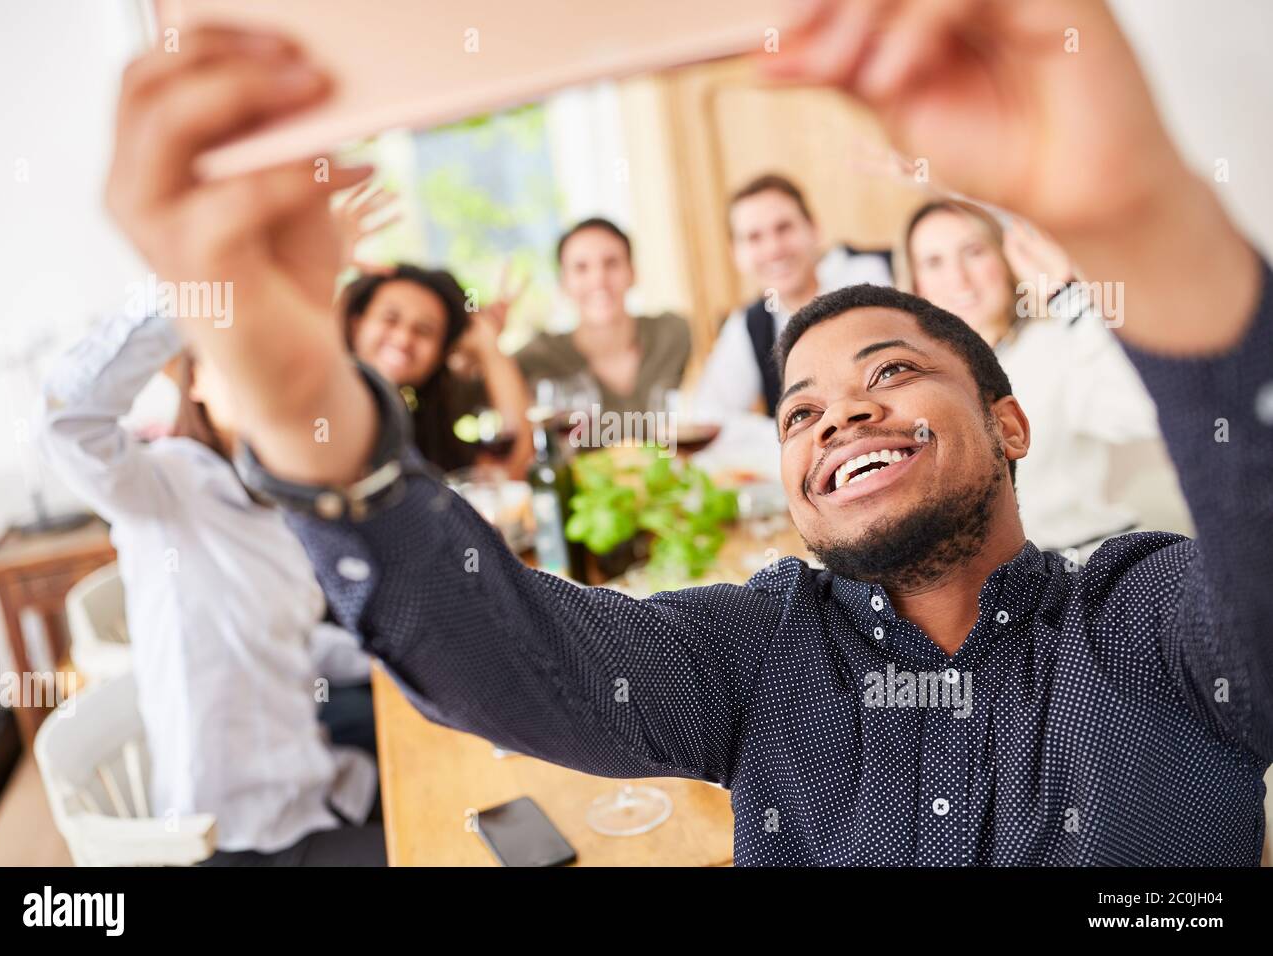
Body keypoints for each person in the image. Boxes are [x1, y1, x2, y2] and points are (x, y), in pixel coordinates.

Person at [103, 0, 1271, 867]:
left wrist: (1142, 217)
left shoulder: (1142, 623)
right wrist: (298, 389)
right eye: (800, 410)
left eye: (892, 373)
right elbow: (499, 652)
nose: (839, 415)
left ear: (1007, 421)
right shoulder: (756, 651)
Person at [38, 314, 385, 866]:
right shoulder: (162, 489)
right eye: (237, 361)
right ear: (192, 380)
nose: (264, 381)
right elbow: (66, 423)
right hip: (239, 838)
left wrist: (386, 659)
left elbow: (286, 641)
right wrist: (194, 291)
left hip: (314, 786)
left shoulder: (276, 503)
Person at [901, 197, 1183, 556]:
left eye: (973, 251)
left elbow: (1145, 412)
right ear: (915, 283)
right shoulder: (916, 385)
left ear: (1005, 260)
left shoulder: (1055, 342)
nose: (958, 278)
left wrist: (1069, 296)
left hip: (1086, 569)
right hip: (994, 597)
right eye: (934, 262)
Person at [694, 173, 894, 418]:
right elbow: (707, 417)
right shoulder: (749, 326)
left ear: (814, 229)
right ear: (736, 254)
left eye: (784, 228)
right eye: (754, 238)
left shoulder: (877, 272)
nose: (774, 249)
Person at [340, 263, 533, 476]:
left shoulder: (421, 434)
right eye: (390, 319)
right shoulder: (320, 409)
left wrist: (489, 348)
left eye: (424, 330)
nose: (403, 339)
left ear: (441, 353)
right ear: (356, 325)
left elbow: (510, 469)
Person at [516, 217, 690, 417]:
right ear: (563, 283)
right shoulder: (540, 355)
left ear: (632, 272)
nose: (599, 280)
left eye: (612, 263)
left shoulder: (673, 334)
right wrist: (486, 341)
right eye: (581, 268)